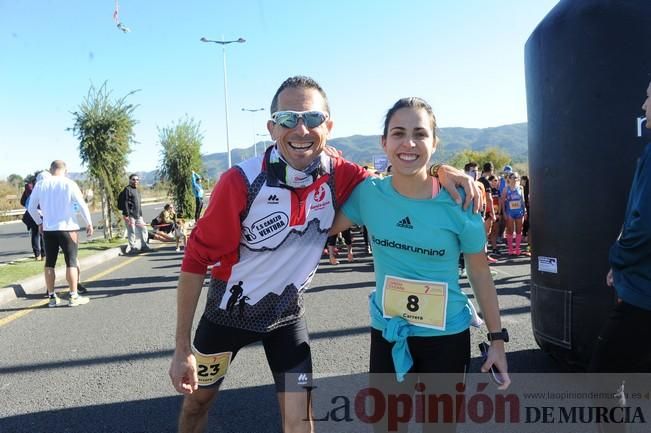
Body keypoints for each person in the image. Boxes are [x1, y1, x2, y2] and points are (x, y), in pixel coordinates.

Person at [168, 76, 483, 433]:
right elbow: (195, 262)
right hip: (228, 314)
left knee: (301, 421)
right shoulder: (240, 182)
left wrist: (444, 170)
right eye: (288, 119)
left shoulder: (341, 174)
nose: (301, 129)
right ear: (272, 128)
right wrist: (182, 348)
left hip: (286, 316)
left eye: (313, 119)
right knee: (198, 403)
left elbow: (402, 174)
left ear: (328, 126)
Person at [330, 97, 510, 432]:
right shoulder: (368, 195)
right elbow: (316, 227)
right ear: (384, 143)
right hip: (389, 332)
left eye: (420, 134)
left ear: (434, 143)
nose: (408, 143)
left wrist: (497, 340)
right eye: (398, 133)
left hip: (446, 337)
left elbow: (480, 273)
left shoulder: (460, 204)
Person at [589, 80, 651, 373]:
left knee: (604, 379)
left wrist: (617, 258)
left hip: (643, 295)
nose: (643, 106)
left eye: (649, 97)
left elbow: (644, 225)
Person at [27, 160, 93, 307]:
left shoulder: (41, 184)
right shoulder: (69, 183)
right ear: (65, 170)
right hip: (68, 228)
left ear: (51, 170)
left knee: (49, 263)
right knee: (71, 261)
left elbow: (31, 208)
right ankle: (73, 296)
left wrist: (39, 222)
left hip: (49, 229)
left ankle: (51, 297)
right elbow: (81, 204)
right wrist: (88, 222)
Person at [118, 173, 150, 254]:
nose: (135, 181)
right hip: (130, 215)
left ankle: (144, 246)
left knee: (144, 229)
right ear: (130, 180)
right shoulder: (127, 190)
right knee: (131, 231)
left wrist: (141, 215)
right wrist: (126, 215)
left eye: (137, 179)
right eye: (133, 179)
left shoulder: (137, 190)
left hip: (138, 215)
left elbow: (138, 204)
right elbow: (125, 203)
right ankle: (133, 248)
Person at [20, 174, 45, 260]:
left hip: (31, 214)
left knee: (34, 234)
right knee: (42, 234)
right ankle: (44, 255)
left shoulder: (28, 189)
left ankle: (37, 255)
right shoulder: (42, 187)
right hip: (41, 213)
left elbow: (22, 201)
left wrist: (28, 206)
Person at [501, 172, 526, 255]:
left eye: (516, 177)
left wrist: (525, 211)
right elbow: (502, 201)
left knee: (519, 231)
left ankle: (517, 248)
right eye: (512, 177)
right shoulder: (506, 189)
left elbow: (523, 201)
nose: (514, 179)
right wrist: (504, 212)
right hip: (510, 212)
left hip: (519, 212)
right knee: (510, 231)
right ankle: (510, 249)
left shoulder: (520, 188)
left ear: (518, 178)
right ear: (509, 178)